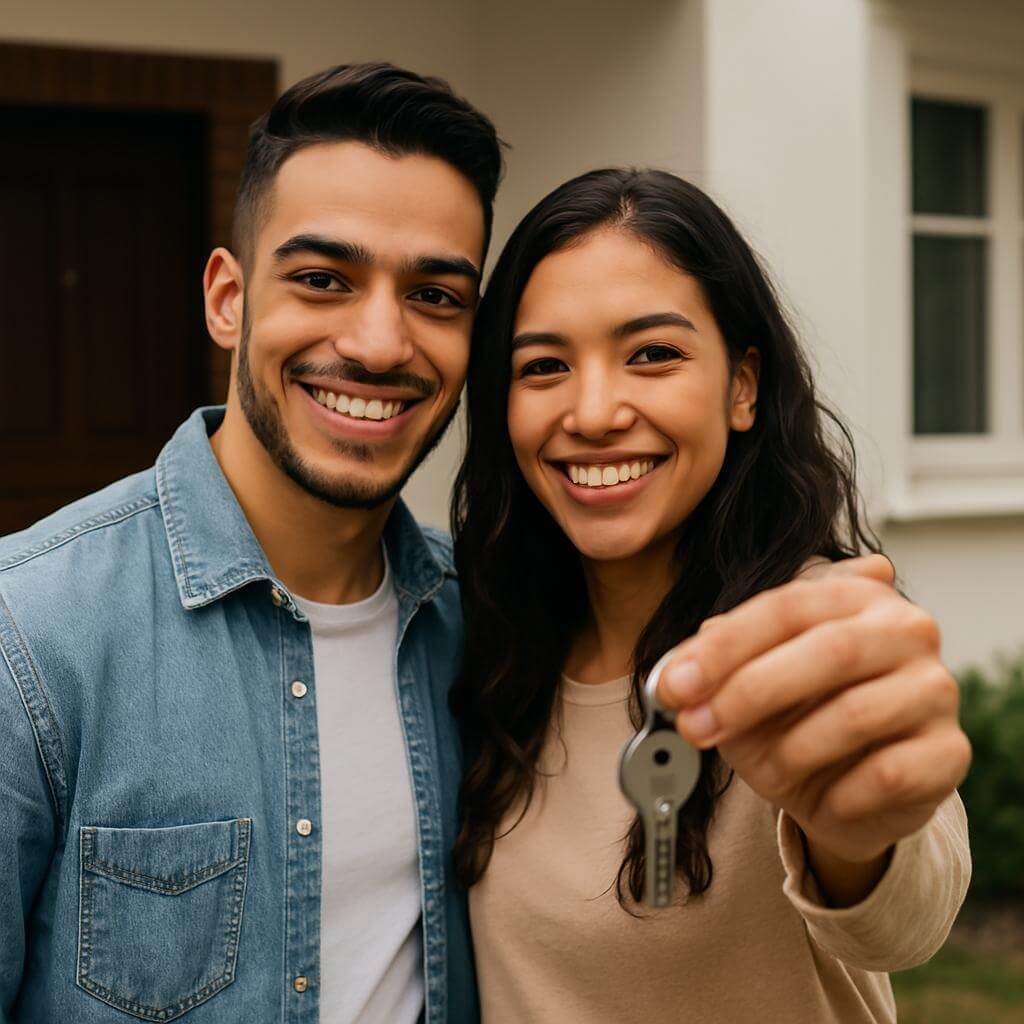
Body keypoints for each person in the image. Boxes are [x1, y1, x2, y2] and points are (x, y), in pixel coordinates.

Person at [0, 62, 501, 1024]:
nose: (380, 343)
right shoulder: (31, 634)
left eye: (437, 295)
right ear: (229, 299)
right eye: (323, 280)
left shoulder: (482, 633)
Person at [452, 168, 971, 1023]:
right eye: (543, 365)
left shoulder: (801, 635)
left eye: (652, 354)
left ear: (742, 386)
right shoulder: (490, 643)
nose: (592, 411)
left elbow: (905, 920)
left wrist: (861, 832)